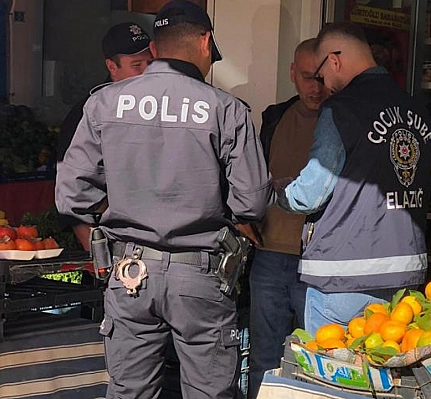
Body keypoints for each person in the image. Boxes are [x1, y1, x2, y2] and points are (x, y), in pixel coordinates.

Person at [55, 1, 272, 398]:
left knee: (130, 392)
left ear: (154, 49)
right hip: (201, 275)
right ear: (206, 42)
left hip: (130, 274)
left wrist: (121, 207)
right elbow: (252, 204)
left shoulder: (104, 103)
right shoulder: (227, 110)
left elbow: (71, 195)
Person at [278, 22, 431, 333]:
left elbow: (311, 193)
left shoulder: (342, 108)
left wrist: (278, 193)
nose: (324, 85)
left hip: (342, 276)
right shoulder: (416, 108)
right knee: (384, 371)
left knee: (331, 375)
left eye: (322, 75)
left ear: (334, 60)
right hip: (405, 278)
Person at [248, 38, 325, 398]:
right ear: (293, 73)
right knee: (265, 358)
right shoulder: (274, 117)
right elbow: (252, 178)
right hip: (271, 253)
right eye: (308, 76)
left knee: (322, 361)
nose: (316, 86)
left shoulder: (345, 120)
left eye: (322, 77)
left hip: (322, 258)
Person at [56, 21, 153, 251]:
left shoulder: (164, 108)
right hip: (112, 239)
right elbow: (72, 194)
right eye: (137, 65)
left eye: (151, 63)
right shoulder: (88, 112)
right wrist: (98, 254)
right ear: (112, 66)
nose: (146, 72)